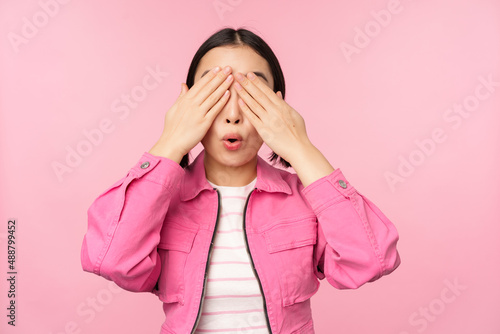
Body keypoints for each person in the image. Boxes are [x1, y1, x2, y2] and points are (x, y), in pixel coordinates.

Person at [80, 27, 401, 334]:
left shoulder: (304, 200)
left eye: (251, 94)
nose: (233, 114)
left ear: (277, 107)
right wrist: (172, 140)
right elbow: (110, 260)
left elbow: (370, 261)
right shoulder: (162, 202)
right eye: (215, 93)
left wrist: (300, 146)